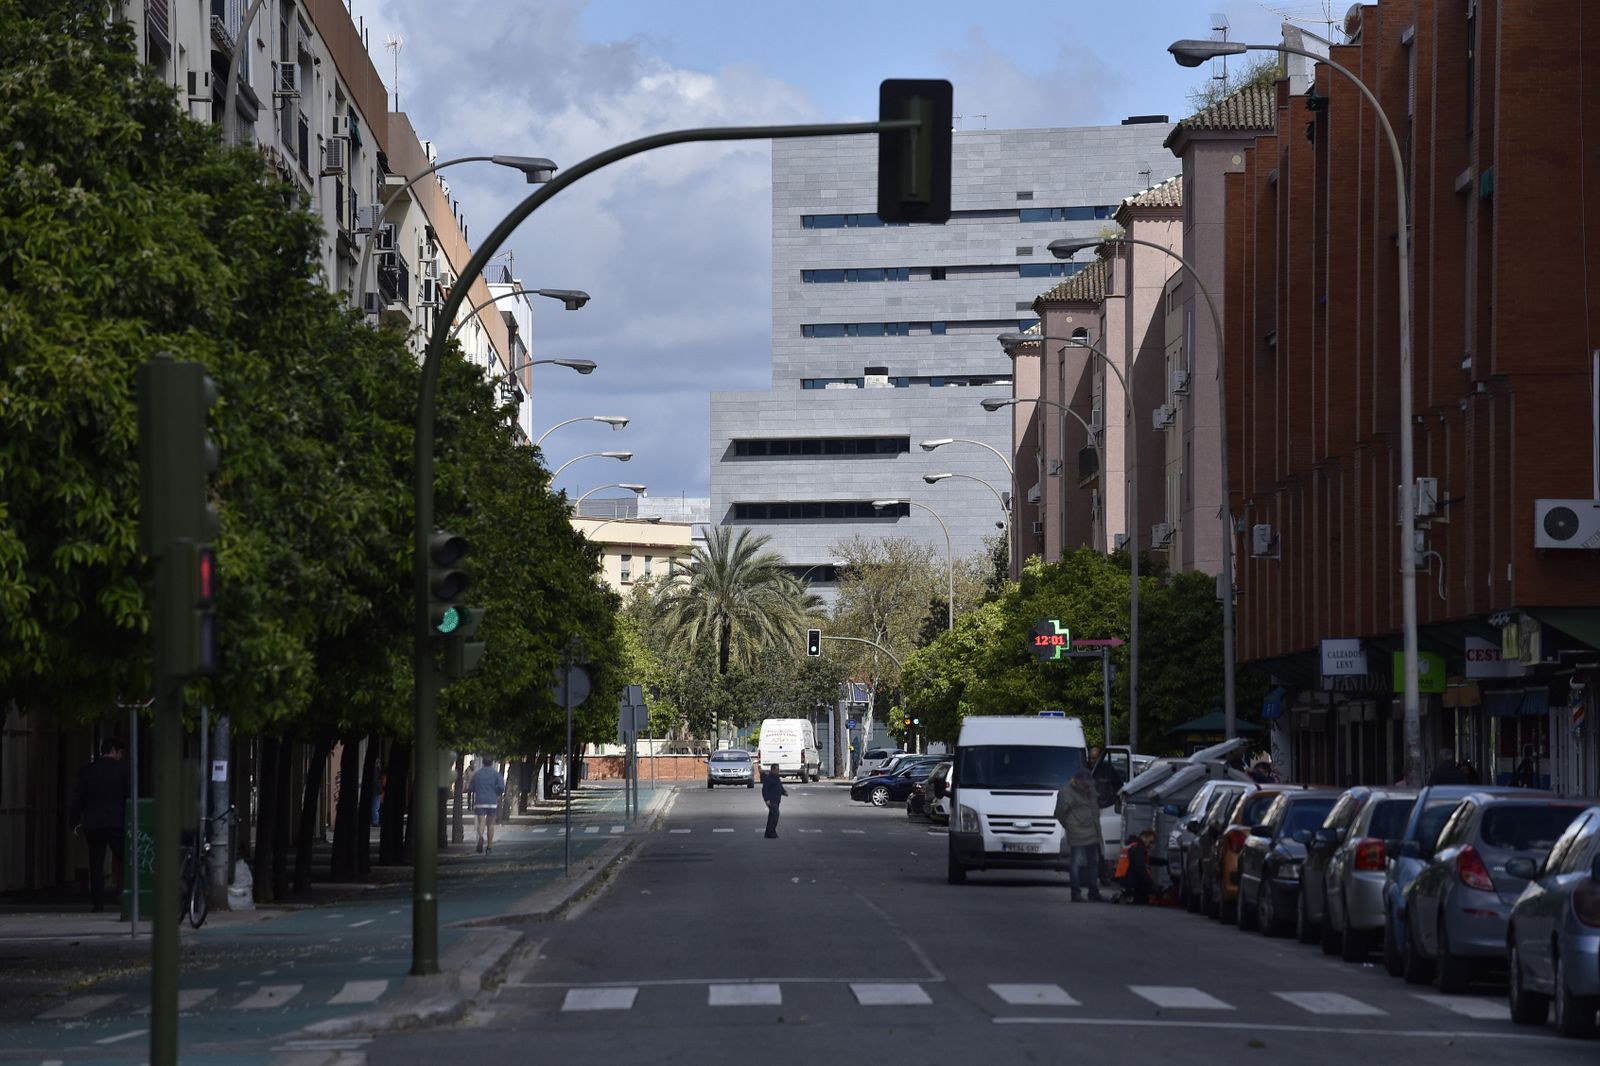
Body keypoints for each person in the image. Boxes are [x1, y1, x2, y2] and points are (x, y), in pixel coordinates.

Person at [69, 738, 130, 913]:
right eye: (120, 752)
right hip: (116, 822)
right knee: (123, 858)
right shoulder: (123, 770)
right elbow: (129, 796)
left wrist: (73, 822)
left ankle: (98, 903)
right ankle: (121, 893)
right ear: (113, 750)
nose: (120, 756)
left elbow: (78, 798)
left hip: (93, 823)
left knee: (95, 862)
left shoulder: (88, 771)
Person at [1054, 770, 1104, 902]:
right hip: (1077, 831)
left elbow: (1094, 809)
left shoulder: (1090, 790)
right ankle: (1076, 893)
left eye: (1089, 784)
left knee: (1093, 862)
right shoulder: (1066, 792)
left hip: (1092, 831)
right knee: (1076, 862)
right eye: (1085, 784)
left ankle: (1093, 892)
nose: (1088, 787)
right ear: (1077, 780)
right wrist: (1070, 825)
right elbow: (1059, 813)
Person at [468, 759, 505, 854]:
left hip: (480, 801)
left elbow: (470, 787)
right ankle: (489, 847)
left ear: (483, 763)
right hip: (492, 801)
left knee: (481, 822)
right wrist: (497, 793)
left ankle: (480, 837)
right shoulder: (496, 774)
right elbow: (501, 787)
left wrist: (478, 790)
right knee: (490, 824)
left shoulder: (477, 774)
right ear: (492, 763)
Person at [1117, 828, 1159, 905]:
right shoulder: (1139, 848)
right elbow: (1140, 869)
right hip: (1132, 883)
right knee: (1148, 896)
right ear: (1144, 837)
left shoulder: (1132, 845)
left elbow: (1147, 860)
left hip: (1125, 880)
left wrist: (1164, 862)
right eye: (1150, 842)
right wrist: (1152, 886)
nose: (1151, 845)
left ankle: (1127, 896)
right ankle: (1130, 897)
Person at [760, 763, 787, 838]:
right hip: (771, 800)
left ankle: (769, 832)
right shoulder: (768, 778)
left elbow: (779, 787)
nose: (778, 771)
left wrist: (784, 792)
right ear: (772, 770)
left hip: (777, 800)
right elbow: (764, 790)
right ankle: (771, 832)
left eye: (778, 769)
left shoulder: (777, 778)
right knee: (775, 815)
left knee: (772, 817)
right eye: (777, 769)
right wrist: (767, 799)